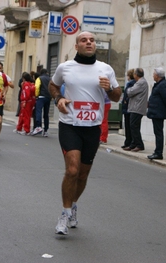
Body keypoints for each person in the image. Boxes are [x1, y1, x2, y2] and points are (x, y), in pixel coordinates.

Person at [48, 31, 122, 235]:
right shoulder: (65, 67)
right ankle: (64, 214)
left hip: (92, 128)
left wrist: (109, 89)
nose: (89, 42)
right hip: (70, 124)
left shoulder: (105, 69)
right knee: (72, 170)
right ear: (76, 46)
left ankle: (72, 206)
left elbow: (117, 96)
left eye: (92, 40)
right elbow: (53, 85)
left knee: (83, 174)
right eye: (84, 40)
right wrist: (58, 99)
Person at [146, 67, 166, 160]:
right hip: (155, 112)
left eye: (154, 74)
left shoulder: (162, 85)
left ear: (157, 76)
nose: (153, 76)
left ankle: (158, 153)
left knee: (158, 133)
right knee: (157, 132)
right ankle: (157, 151)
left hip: (158, 113)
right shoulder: (159, 84)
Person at [123, 67, 148, 152]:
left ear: (136, 75)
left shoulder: (140, 83)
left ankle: (139, 144)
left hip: (137, 108)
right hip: (135, 107)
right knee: (133, 126)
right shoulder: (140, 82)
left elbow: (130, 92)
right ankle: (133, 144)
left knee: (134, 126)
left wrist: (128, 89)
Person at [31, 68, 52, 137]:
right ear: (46, 73)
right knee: (46, 114)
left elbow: (37, 87)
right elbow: (52, 87)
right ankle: (46, 130)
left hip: (41, 97)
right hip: (48, 97)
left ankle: (38, 126)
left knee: (38, 111)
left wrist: (36, 95)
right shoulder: (50, 79)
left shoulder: (39, 78)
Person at [121, 69, 136, 149]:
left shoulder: (130, 83)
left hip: (127, 108)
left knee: (128, 125)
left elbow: (127, 94)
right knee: (131, 126)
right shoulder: (135, 83)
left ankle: (128, 142)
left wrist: (125, 101)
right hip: (131, 107)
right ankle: (130, 141)